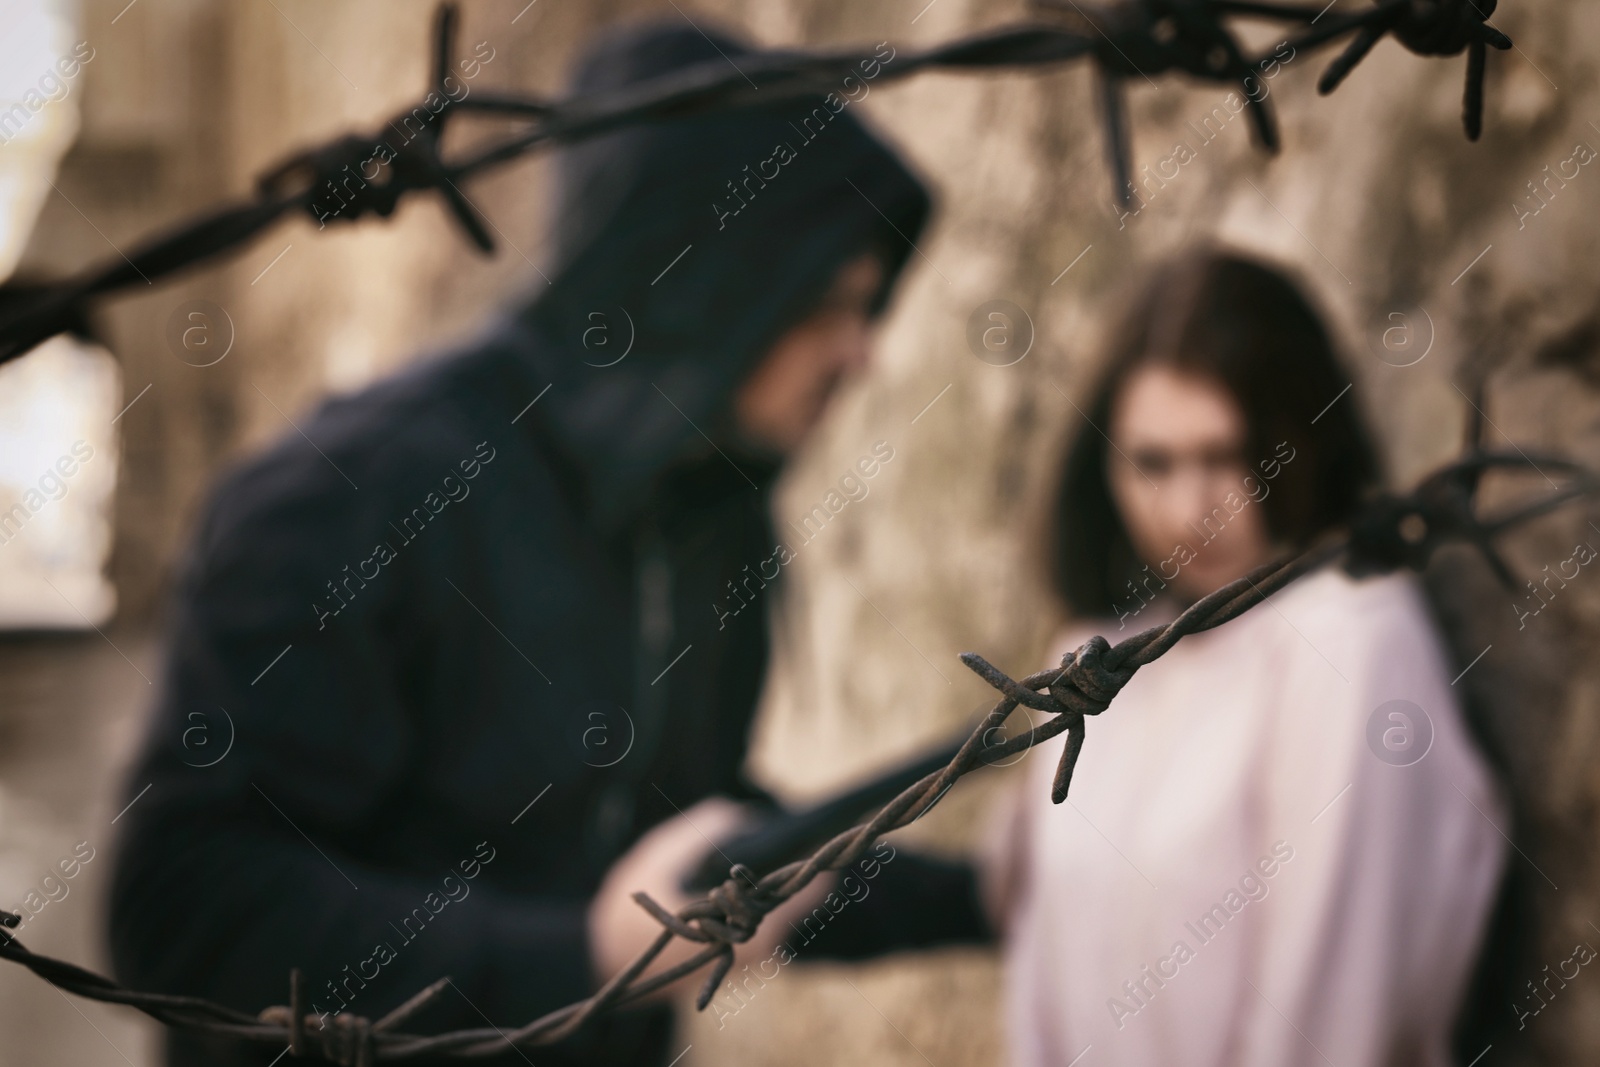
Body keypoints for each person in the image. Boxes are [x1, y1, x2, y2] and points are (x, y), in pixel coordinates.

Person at [106, 19, 983, 1066]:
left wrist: (994, 892)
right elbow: (183, 902)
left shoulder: (701, 511)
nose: (865, 352)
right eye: (833, 303)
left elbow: (702, 866)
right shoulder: (352, 492)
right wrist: (581, 952)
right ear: (702, 279)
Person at [981, 248, 1509, 1065]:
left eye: (1226, 458)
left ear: (1296, 440)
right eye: (1152, 463)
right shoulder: (1102, 658)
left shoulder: (1352, 641)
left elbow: (1334, 1018)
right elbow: (1038, 963)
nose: (1190, 510)